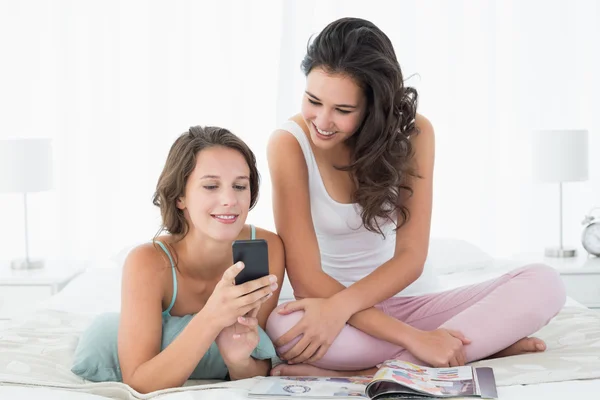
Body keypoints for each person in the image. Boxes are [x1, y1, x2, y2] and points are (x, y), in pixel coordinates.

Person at [265, 17, 566, 377]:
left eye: (343, 110)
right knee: (283, 332)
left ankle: (363, 374)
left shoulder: (414, 134)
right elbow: (306, 279)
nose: (323, 120)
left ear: (373, 108)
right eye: (313, 100)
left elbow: (411, 258)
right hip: (333, 311)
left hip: (413, 303)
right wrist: (411, 337)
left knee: (545, 283)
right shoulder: (288, 144)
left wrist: (412, 332)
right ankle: (469, 347)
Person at [118, 126, 285, 392]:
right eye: (210, 186)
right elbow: (139, 384)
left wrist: (237, 360)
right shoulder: (147, 263)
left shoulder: (268, 247)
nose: (230, 200)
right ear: (180, 196)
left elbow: (258, 365)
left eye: (240, 186)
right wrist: (212, 316)